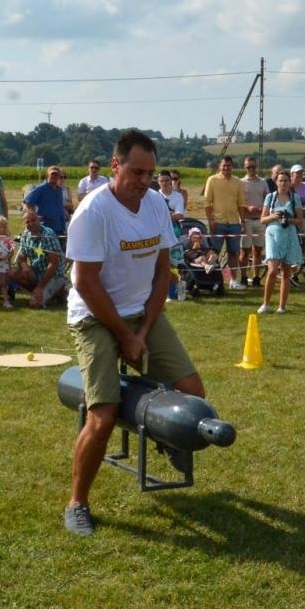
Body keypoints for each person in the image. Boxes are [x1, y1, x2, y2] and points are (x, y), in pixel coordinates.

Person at [63, 129, 205, 536]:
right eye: (137, 172)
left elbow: (164, 270)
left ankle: (164, 435)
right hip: (93, 316)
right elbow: (87, 283)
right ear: (115, 165)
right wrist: (124, 337)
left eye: (150, 173)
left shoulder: (156, 203)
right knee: (103, 416)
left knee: (193, 392)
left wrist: (142, 329)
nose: (144, 181)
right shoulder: (93, 212)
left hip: (142, 312)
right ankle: (77, 503)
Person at [257, 167, 303, 314]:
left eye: (286, 181)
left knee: (286, 272)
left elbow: (300, 220)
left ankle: (282, 306)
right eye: (280, 180)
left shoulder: (295, 198)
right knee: (272, 270)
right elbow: (262, 219)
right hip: (273, 235)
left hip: (289, 234)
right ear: (276, 182)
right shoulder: (270, 197)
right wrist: (274, 216)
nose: (283, 183)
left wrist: (289, 219)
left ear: (290, 183)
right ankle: (266, 303)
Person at [10, 207, 67, 308]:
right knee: (13, 272)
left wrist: (40, 287)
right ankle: (48, 293)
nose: (31, 223)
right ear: (24, 224)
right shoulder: (25, 235)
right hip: (37, 272)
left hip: (54, 275)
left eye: (33, 220)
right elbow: (21, 257)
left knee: (34, 305)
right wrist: (24, 266)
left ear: (39, 220)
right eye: (27, 222)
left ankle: (58, 289)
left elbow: (54, 264)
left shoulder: (48, 234)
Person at [202, 155, 246, 288]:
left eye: (229, 165)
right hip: (218, 223)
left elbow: (241, 203)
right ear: (219, 166)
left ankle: (233, 281)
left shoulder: (238, 182)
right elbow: (207, 203)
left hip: (233, 223)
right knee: (214, 253)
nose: (226, 168)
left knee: (233, 253)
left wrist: (242, 221)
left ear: (232, 167)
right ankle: (214, 281)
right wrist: (210, 221)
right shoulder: (212, 180)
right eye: (224, 165)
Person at [238, 156, 269, 288]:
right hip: (247, 220)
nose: (251, 169)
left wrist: (264, 208)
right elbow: (238, 202)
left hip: (260, 220)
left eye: (253, 167)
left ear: (257, 167)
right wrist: (247, 207)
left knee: (258, 251)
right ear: (245, 168)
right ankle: (243, 277)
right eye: (248, 167)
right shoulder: (241, 182)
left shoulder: (263, 183)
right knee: (244, 251)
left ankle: (256, 277)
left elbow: (267, 199)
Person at [23, 166, 71, 236]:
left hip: (59, 227)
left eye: (56, 174)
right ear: (47, 175)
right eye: (52, 174)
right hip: (46, 227)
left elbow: (58, 205)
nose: (54, 176)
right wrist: (34, 216)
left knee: (59, 246)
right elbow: (28, 202)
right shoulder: (41, 188)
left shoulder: (59, 189)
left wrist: (63, 212)